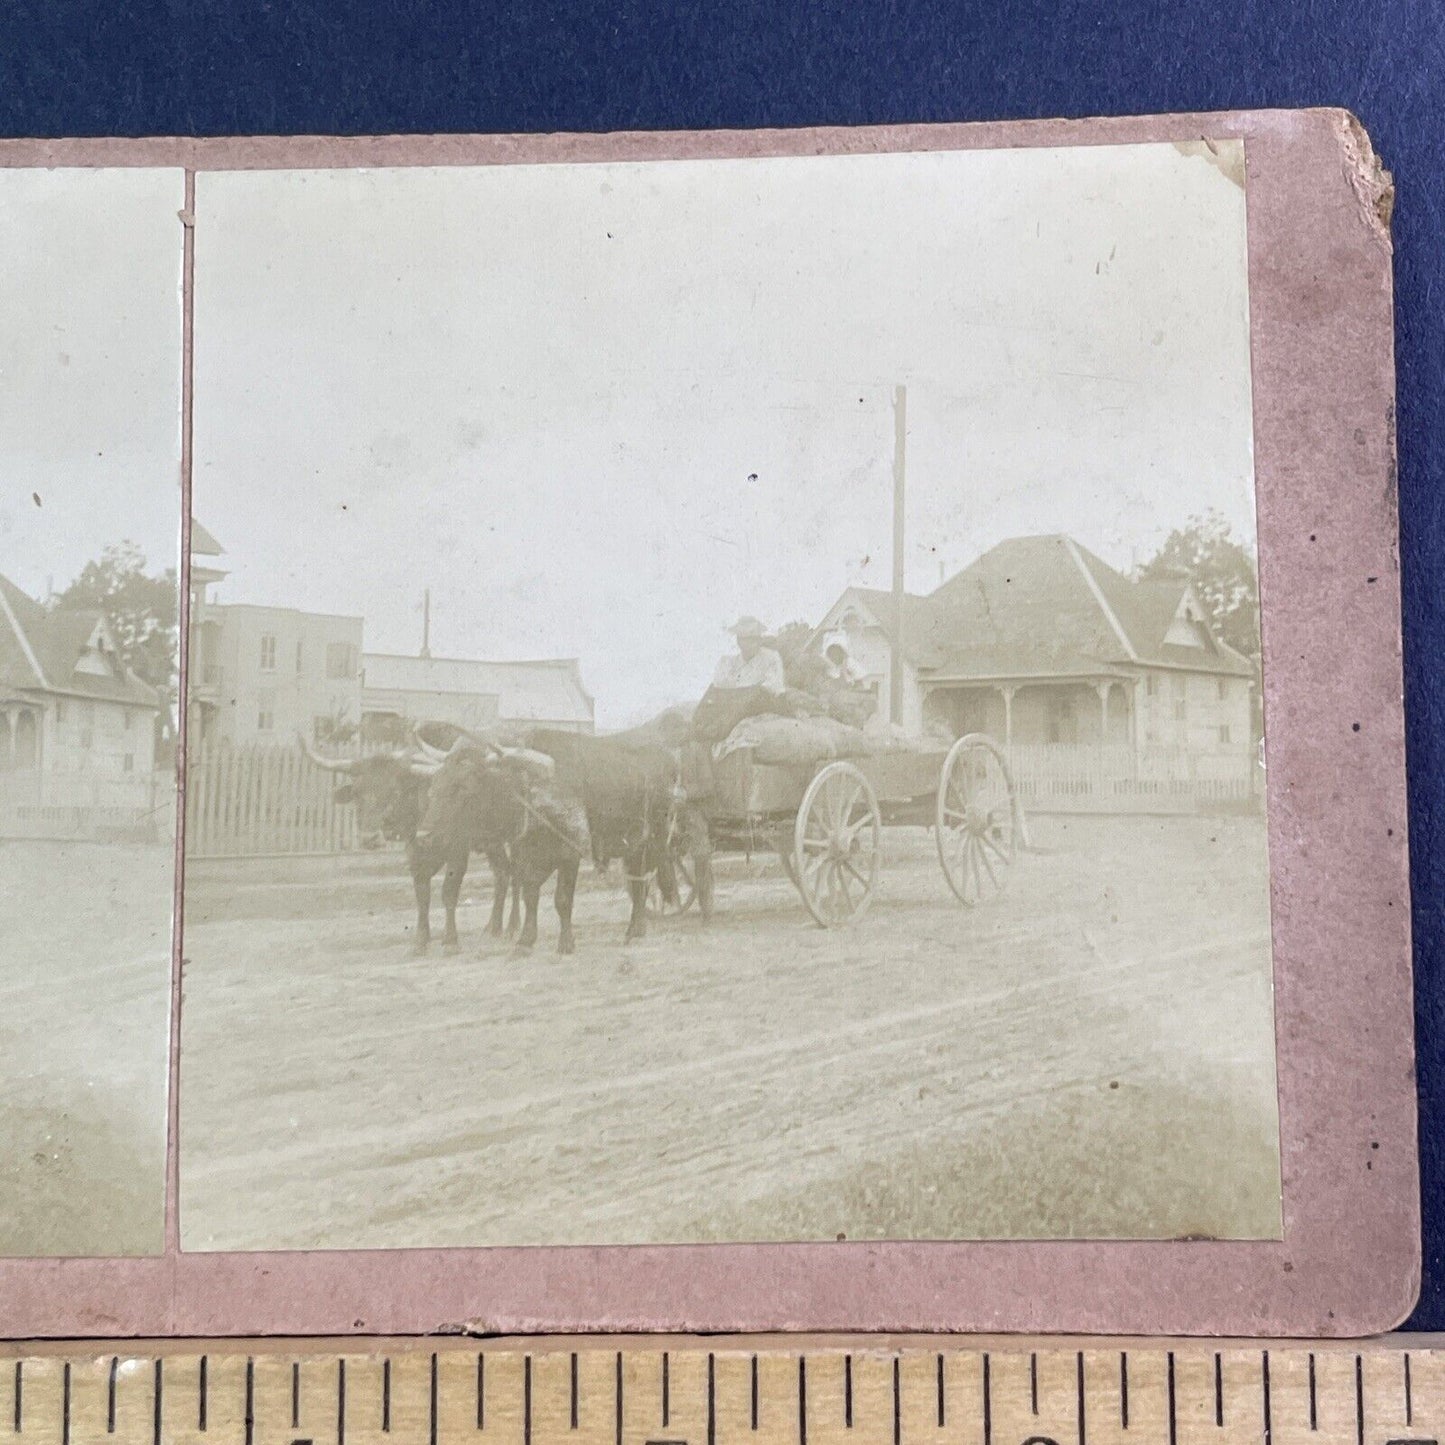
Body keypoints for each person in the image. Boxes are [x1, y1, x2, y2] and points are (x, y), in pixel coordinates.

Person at [712, 615, 786, 695]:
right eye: (744, 639)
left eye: (753, 639)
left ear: (759, 640)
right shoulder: (730, 662)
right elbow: (719, 683)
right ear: (738, 641)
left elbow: (773, 686)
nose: (749, 644)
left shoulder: (771, 657)